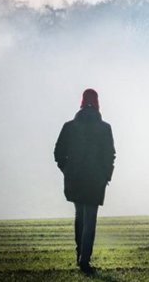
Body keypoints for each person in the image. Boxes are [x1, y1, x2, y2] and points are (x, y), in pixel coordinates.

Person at [54, 88, 115, 275]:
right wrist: (105, 176)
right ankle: (84, 261)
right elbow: (110, 155)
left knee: (80, 217)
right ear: (97, 103)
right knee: (90, 220)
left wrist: (67, 170)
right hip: (95, 180)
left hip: (75, 178)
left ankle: (79, 255)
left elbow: (58, 153)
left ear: (81, 102)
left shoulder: (69, 126)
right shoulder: (105, 128)